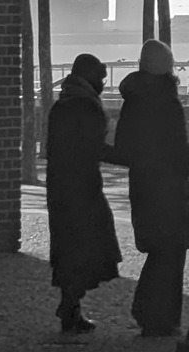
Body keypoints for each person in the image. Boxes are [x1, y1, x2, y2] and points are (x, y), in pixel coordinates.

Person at [113, 39, 189, 337]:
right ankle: (161, 316)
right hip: (170, 187)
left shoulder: (134, 99)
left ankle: (151, 313)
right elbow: (179, 148)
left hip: (145, 185)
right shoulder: (167, 100)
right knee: (172, 253)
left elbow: (123, 147)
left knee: (161, 250)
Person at [46, 53, 122, 334]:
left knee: (69, 250)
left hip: (60, 188)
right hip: (83, 188)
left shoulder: (61, 104)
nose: (103, 83)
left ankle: (70, 305)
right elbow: (94, 148)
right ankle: (71, 305)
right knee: (88, 247)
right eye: (101, 79)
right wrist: (129, 157)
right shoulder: (87, 107)